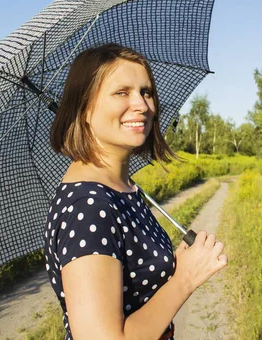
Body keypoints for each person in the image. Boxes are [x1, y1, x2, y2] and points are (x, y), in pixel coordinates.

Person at [44, 43, 228, 340]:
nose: (142, 105)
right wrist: (184, 278)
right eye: (122, 92)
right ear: (85, 109)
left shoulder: (122, 189)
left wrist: (179, 263)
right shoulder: (88, 206)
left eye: (146, 92)